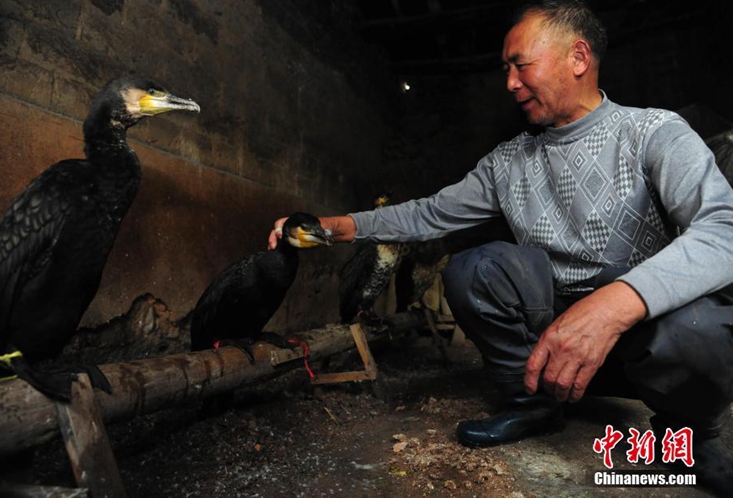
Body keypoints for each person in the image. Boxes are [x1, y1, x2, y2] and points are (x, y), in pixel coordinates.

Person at [269, 0, 733, 492]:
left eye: (521, 65)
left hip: (644, 345)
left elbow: (723, 229)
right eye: (505, 69)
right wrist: (333, 227)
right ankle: (534, 403)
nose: (510, 83)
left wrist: (613, 305)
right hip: (547, 351)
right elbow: (429, 213)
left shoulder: (654, 132)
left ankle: (689, 434)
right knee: (474, 268)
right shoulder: (507, 162)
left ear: (578, 58)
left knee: (701, 324)